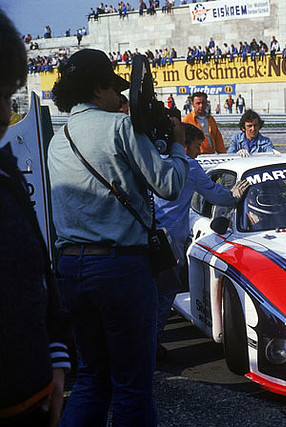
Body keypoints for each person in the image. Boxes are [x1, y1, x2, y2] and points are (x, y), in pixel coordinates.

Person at [47, 48, 189, 426]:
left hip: (72, 269)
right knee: (132, 385)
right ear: (98, 89)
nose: (121, 98)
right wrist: (176, 143)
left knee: (93, 379)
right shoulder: (119, 127)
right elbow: (170, 184)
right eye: (115, 88)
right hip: (121, 268)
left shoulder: (58, 140)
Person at [0, 10, 71, 426]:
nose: (3, 115)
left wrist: (57, 355)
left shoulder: (6, 171)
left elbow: (39, 271)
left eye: (9, 98)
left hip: (35, 397)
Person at [155, 124, 248, 358]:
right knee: (166, 291)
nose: (199, 151)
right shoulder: (189, 165)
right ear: (184, 146)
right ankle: (152, 343)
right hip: (171, 239)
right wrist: (233, 196)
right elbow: (216, 195)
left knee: (149, 292)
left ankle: (146, 340)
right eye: (197, 146)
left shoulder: (156, 161)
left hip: (149, 235)